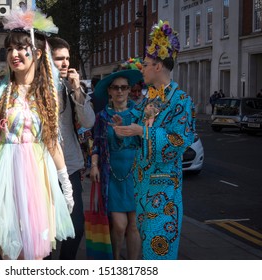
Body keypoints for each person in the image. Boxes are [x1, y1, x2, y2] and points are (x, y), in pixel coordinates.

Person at [0, 8, 75, 260]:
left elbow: (52, 142)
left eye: (21, 48)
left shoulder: (47, 94)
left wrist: (66, 185)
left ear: (38, 53)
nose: (14, 54)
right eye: (10, 49)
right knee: (5, 250)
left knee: (33, 254)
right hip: (1, 177)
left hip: (36, 178)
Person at [113, 20, 196, 259]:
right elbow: (138, 138)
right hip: (143, 191)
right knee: (148, 255)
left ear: (158, 66)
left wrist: (142, 132)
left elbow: (180, 141)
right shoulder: (151, 99)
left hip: (164, 196)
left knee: (160, 254)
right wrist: (125, 130)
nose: (142, 69)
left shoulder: (181, 100)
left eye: (146, 65)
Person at [47, 36, 95, 259]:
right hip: (42, 168)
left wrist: (77, 90)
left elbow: (89, 122)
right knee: (44, 229)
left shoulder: (71, 87)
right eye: (59, 59)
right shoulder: (38, 88)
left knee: (75, 227)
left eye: (67, 58)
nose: (65, 63)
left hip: (70, 165)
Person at [90, 69, 143, 260]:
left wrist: (130, 134)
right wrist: (94, 165)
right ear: (109, 92)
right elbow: (96, 144)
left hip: (135, 174)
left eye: (124, 87)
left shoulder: (139, 114)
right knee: (119, 225)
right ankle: (114, 262)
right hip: (111, 175)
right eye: (115, 88)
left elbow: (146, 142)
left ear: (129, 90)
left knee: (135, 225)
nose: (120, 91)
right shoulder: (102, 117)